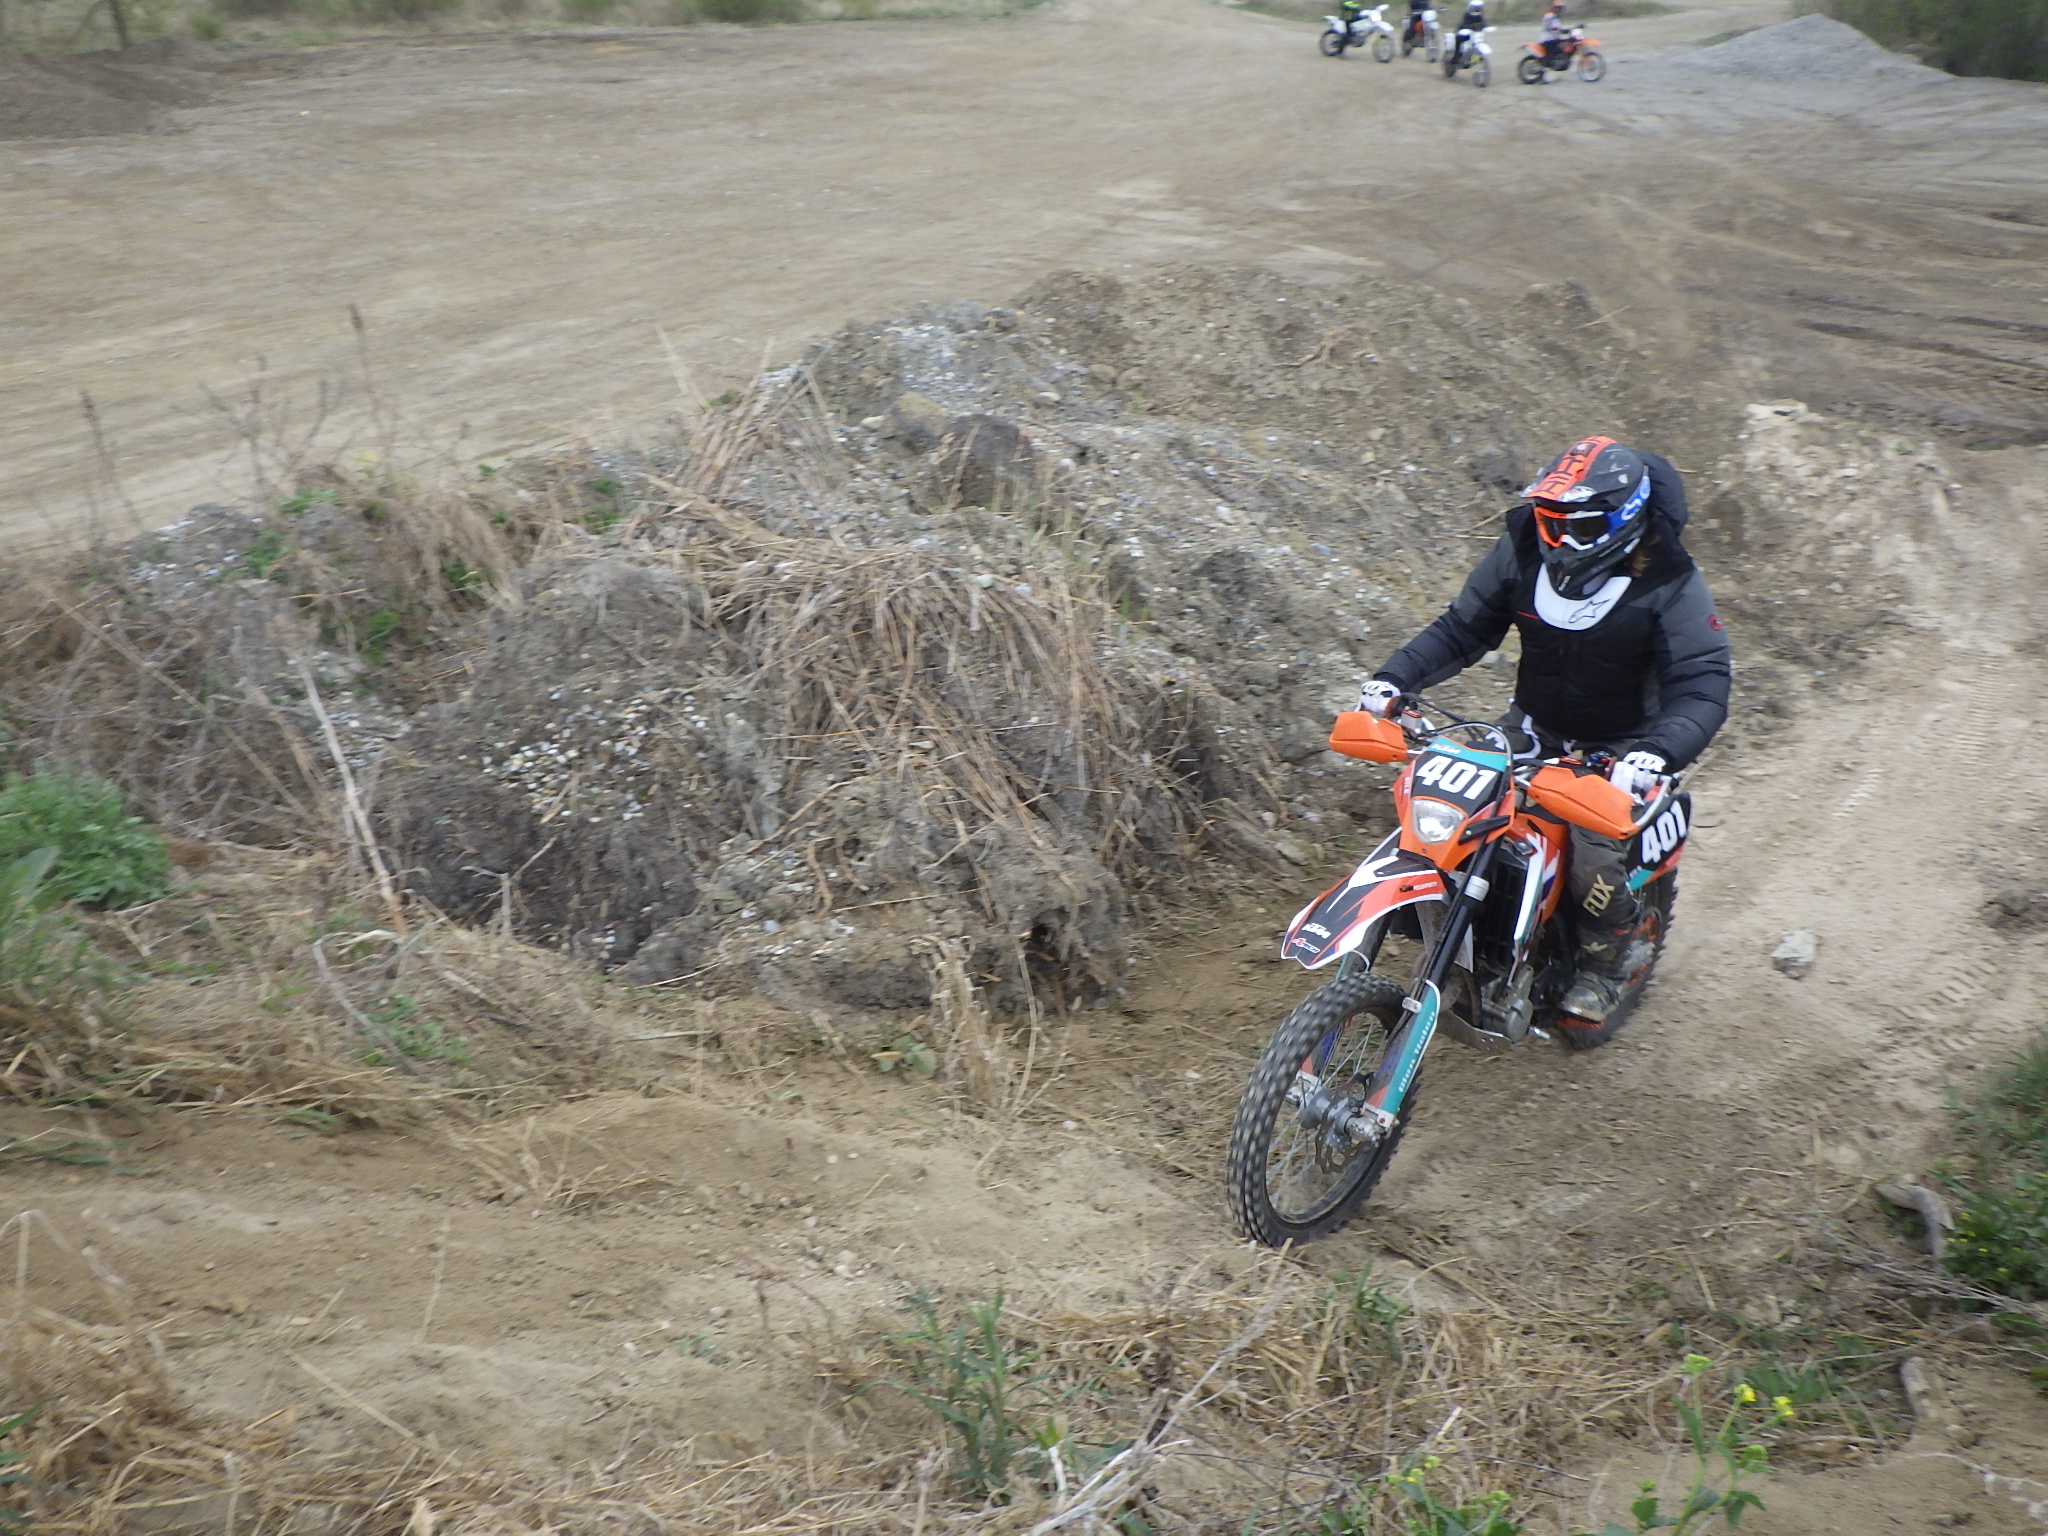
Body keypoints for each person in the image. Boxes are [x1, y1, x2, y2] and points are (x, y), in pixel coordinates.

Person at [1355, 436, 1731, 1029]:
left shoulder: (1670, 580)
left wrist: (1656, 752)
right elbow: (1462, 628)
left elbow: (1703, 682)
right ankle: (1463, 927)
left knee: (1591, 859)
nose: (1559, 541)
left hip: (1625, 748)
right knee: (1439, 800)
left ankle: (1610, 960)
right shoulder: (1522, 549)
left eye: (1578, 527)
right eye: (1550, 523)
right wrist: (1393, 679)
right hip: (1534, 727)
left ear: (1625, 520)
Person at [1537, 0, 1569, 68]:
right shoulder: (1548, 16)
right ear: (1553, 7)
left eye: (1560, 7)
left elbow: (1558, 28)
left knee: (1568, 43)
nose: (1559, 9)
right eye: (1558, 7)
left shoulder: (1556, 17)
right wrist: (1559, 30)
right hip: (1547, 39)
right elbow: (1550, 26)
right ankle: (1548, 65)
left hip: (1554, 39)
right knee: (1554, 51)